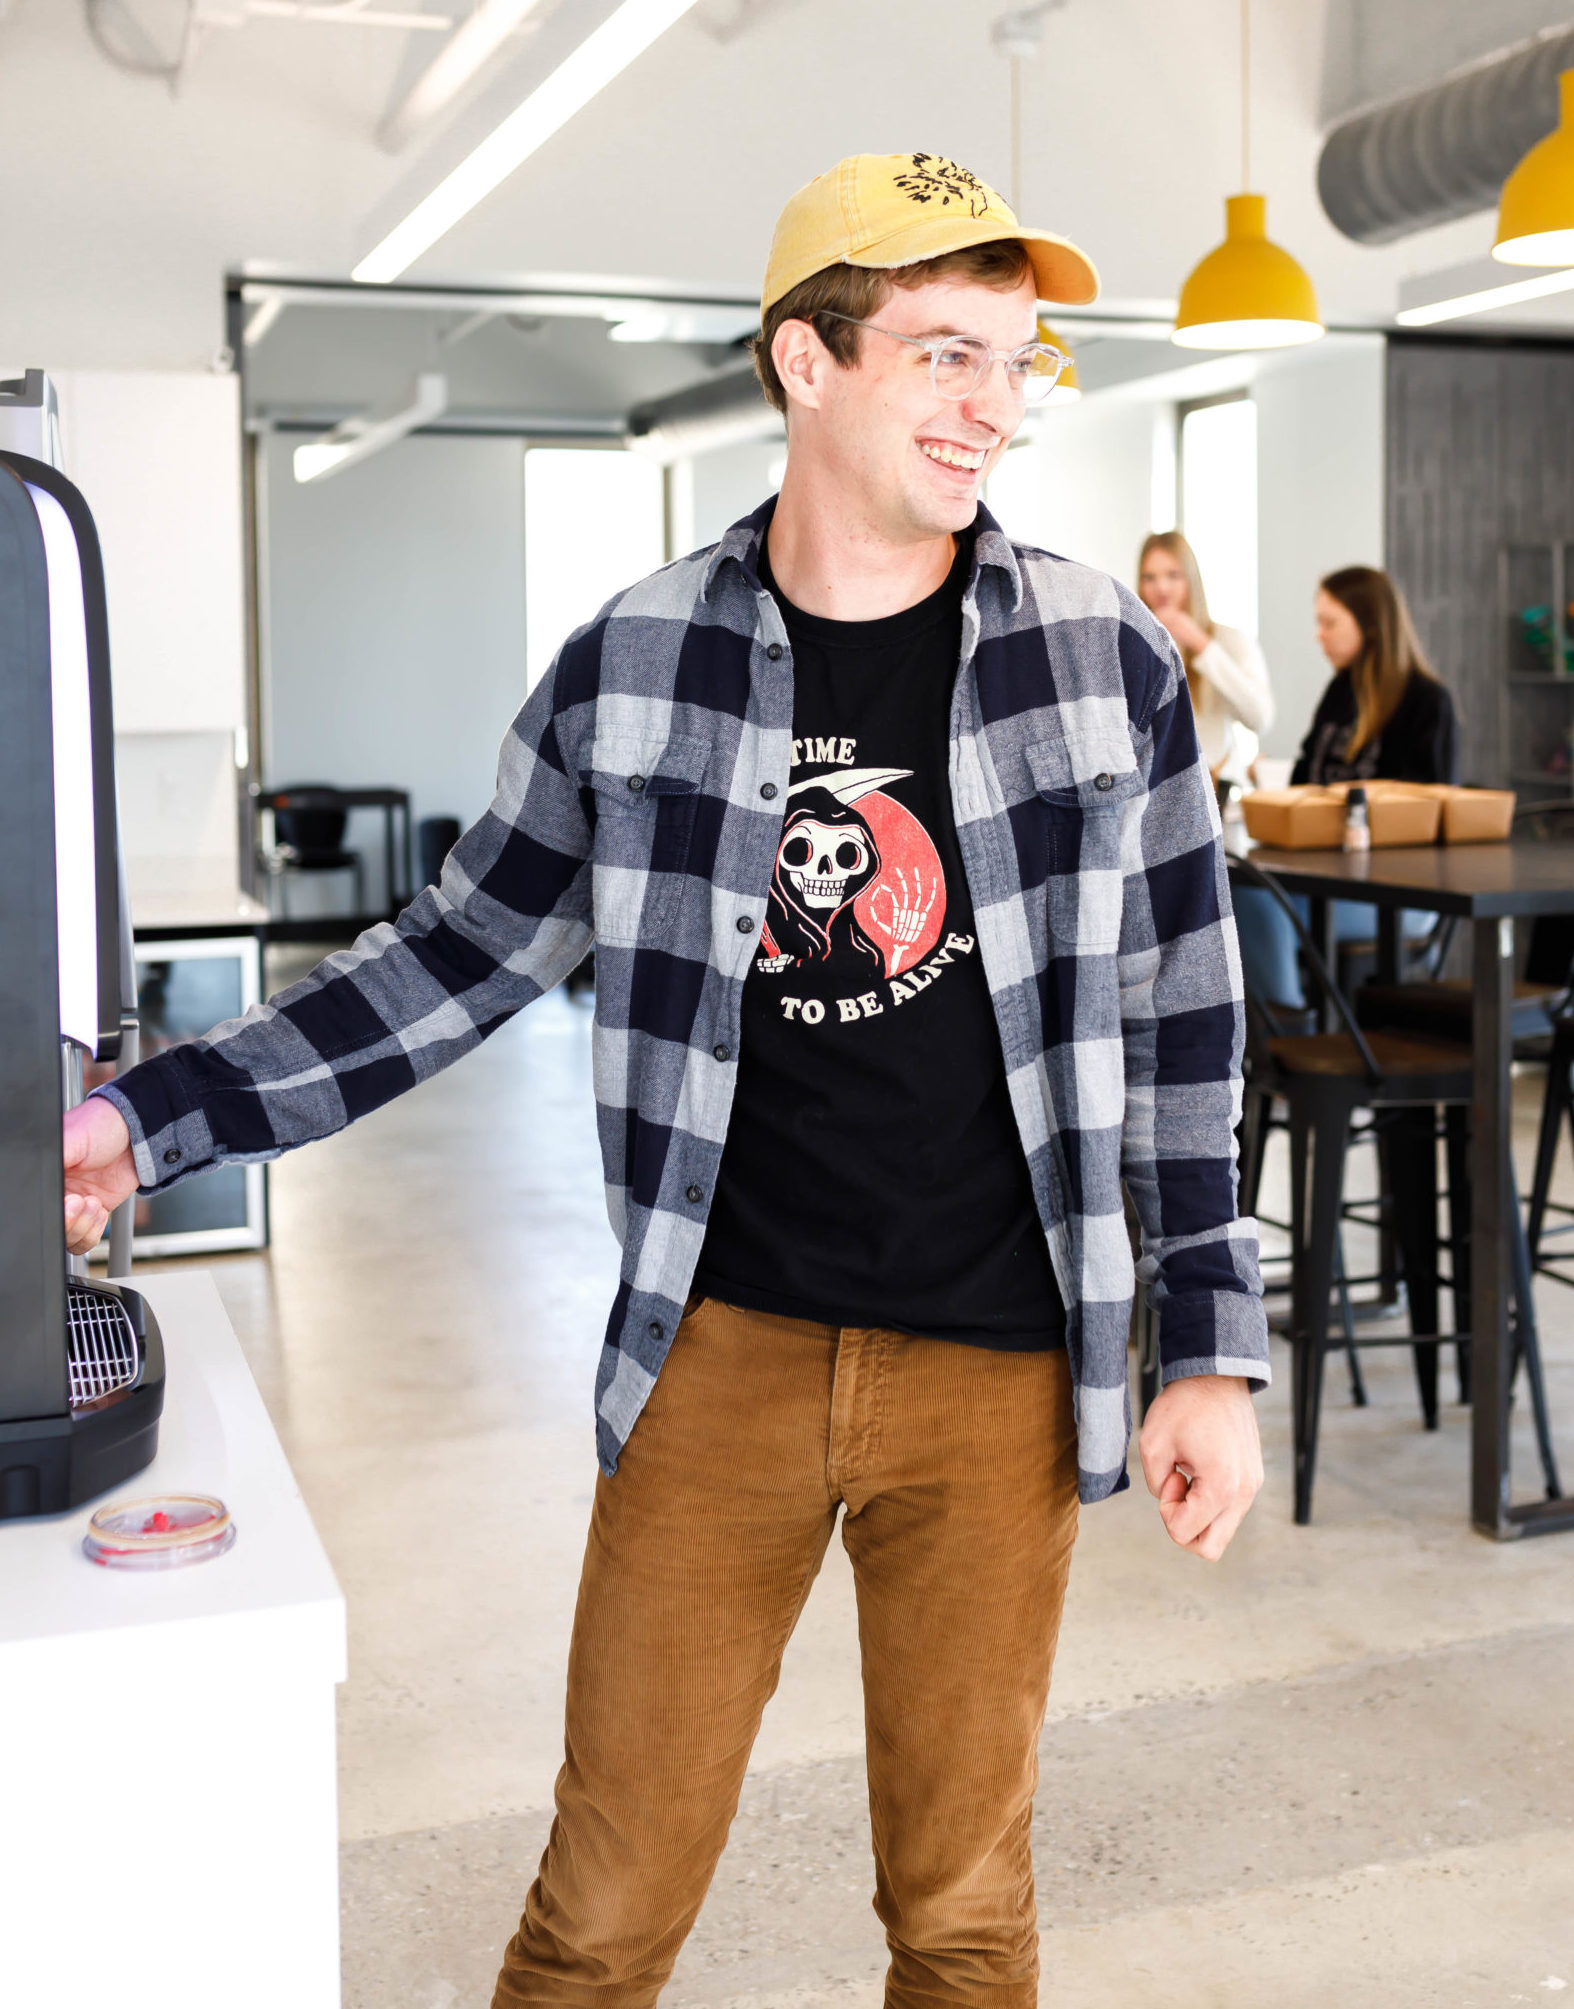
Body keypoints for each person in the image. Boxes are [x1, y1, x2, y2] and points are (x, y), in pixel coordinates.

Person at [61, 153, 1267, 2006]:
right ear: (804, 361)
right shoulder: (634, 663)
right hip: (717, 1351)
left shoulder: (1097, 657)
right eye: (945, 356)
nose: (992, 409)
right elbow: (449, 958)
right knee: (599, 1914)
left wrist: (1200, 1342)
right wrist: (151, 1112)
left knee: (959, 1907)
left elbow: (1182, 1012)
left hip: (995, 1362)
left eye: (1017, 364)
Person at [1235, 564, 1456, 1011]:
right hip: (1326, 882)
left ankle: (1289, 1041)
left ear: (1371, 627)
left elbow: (1429, 813)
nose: (1319, 635)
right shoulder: (1340, 691)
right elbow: (1305, 781)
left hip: (1399, 896)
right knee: (1236, 890)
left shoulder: (1427, 703)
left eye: (1329, 623)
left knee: (1253, 901)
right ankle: (1278, 1040)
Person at [1137, 529, 1273, 786]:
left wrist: (1202, 645)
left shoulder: (1230, 641)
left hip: (1218, 790)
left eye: (1173, 575)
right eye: (1150, 577)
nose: (1161, 587)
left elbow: (1259, 717)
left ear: (1191, 579)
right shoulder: (1134, 644)